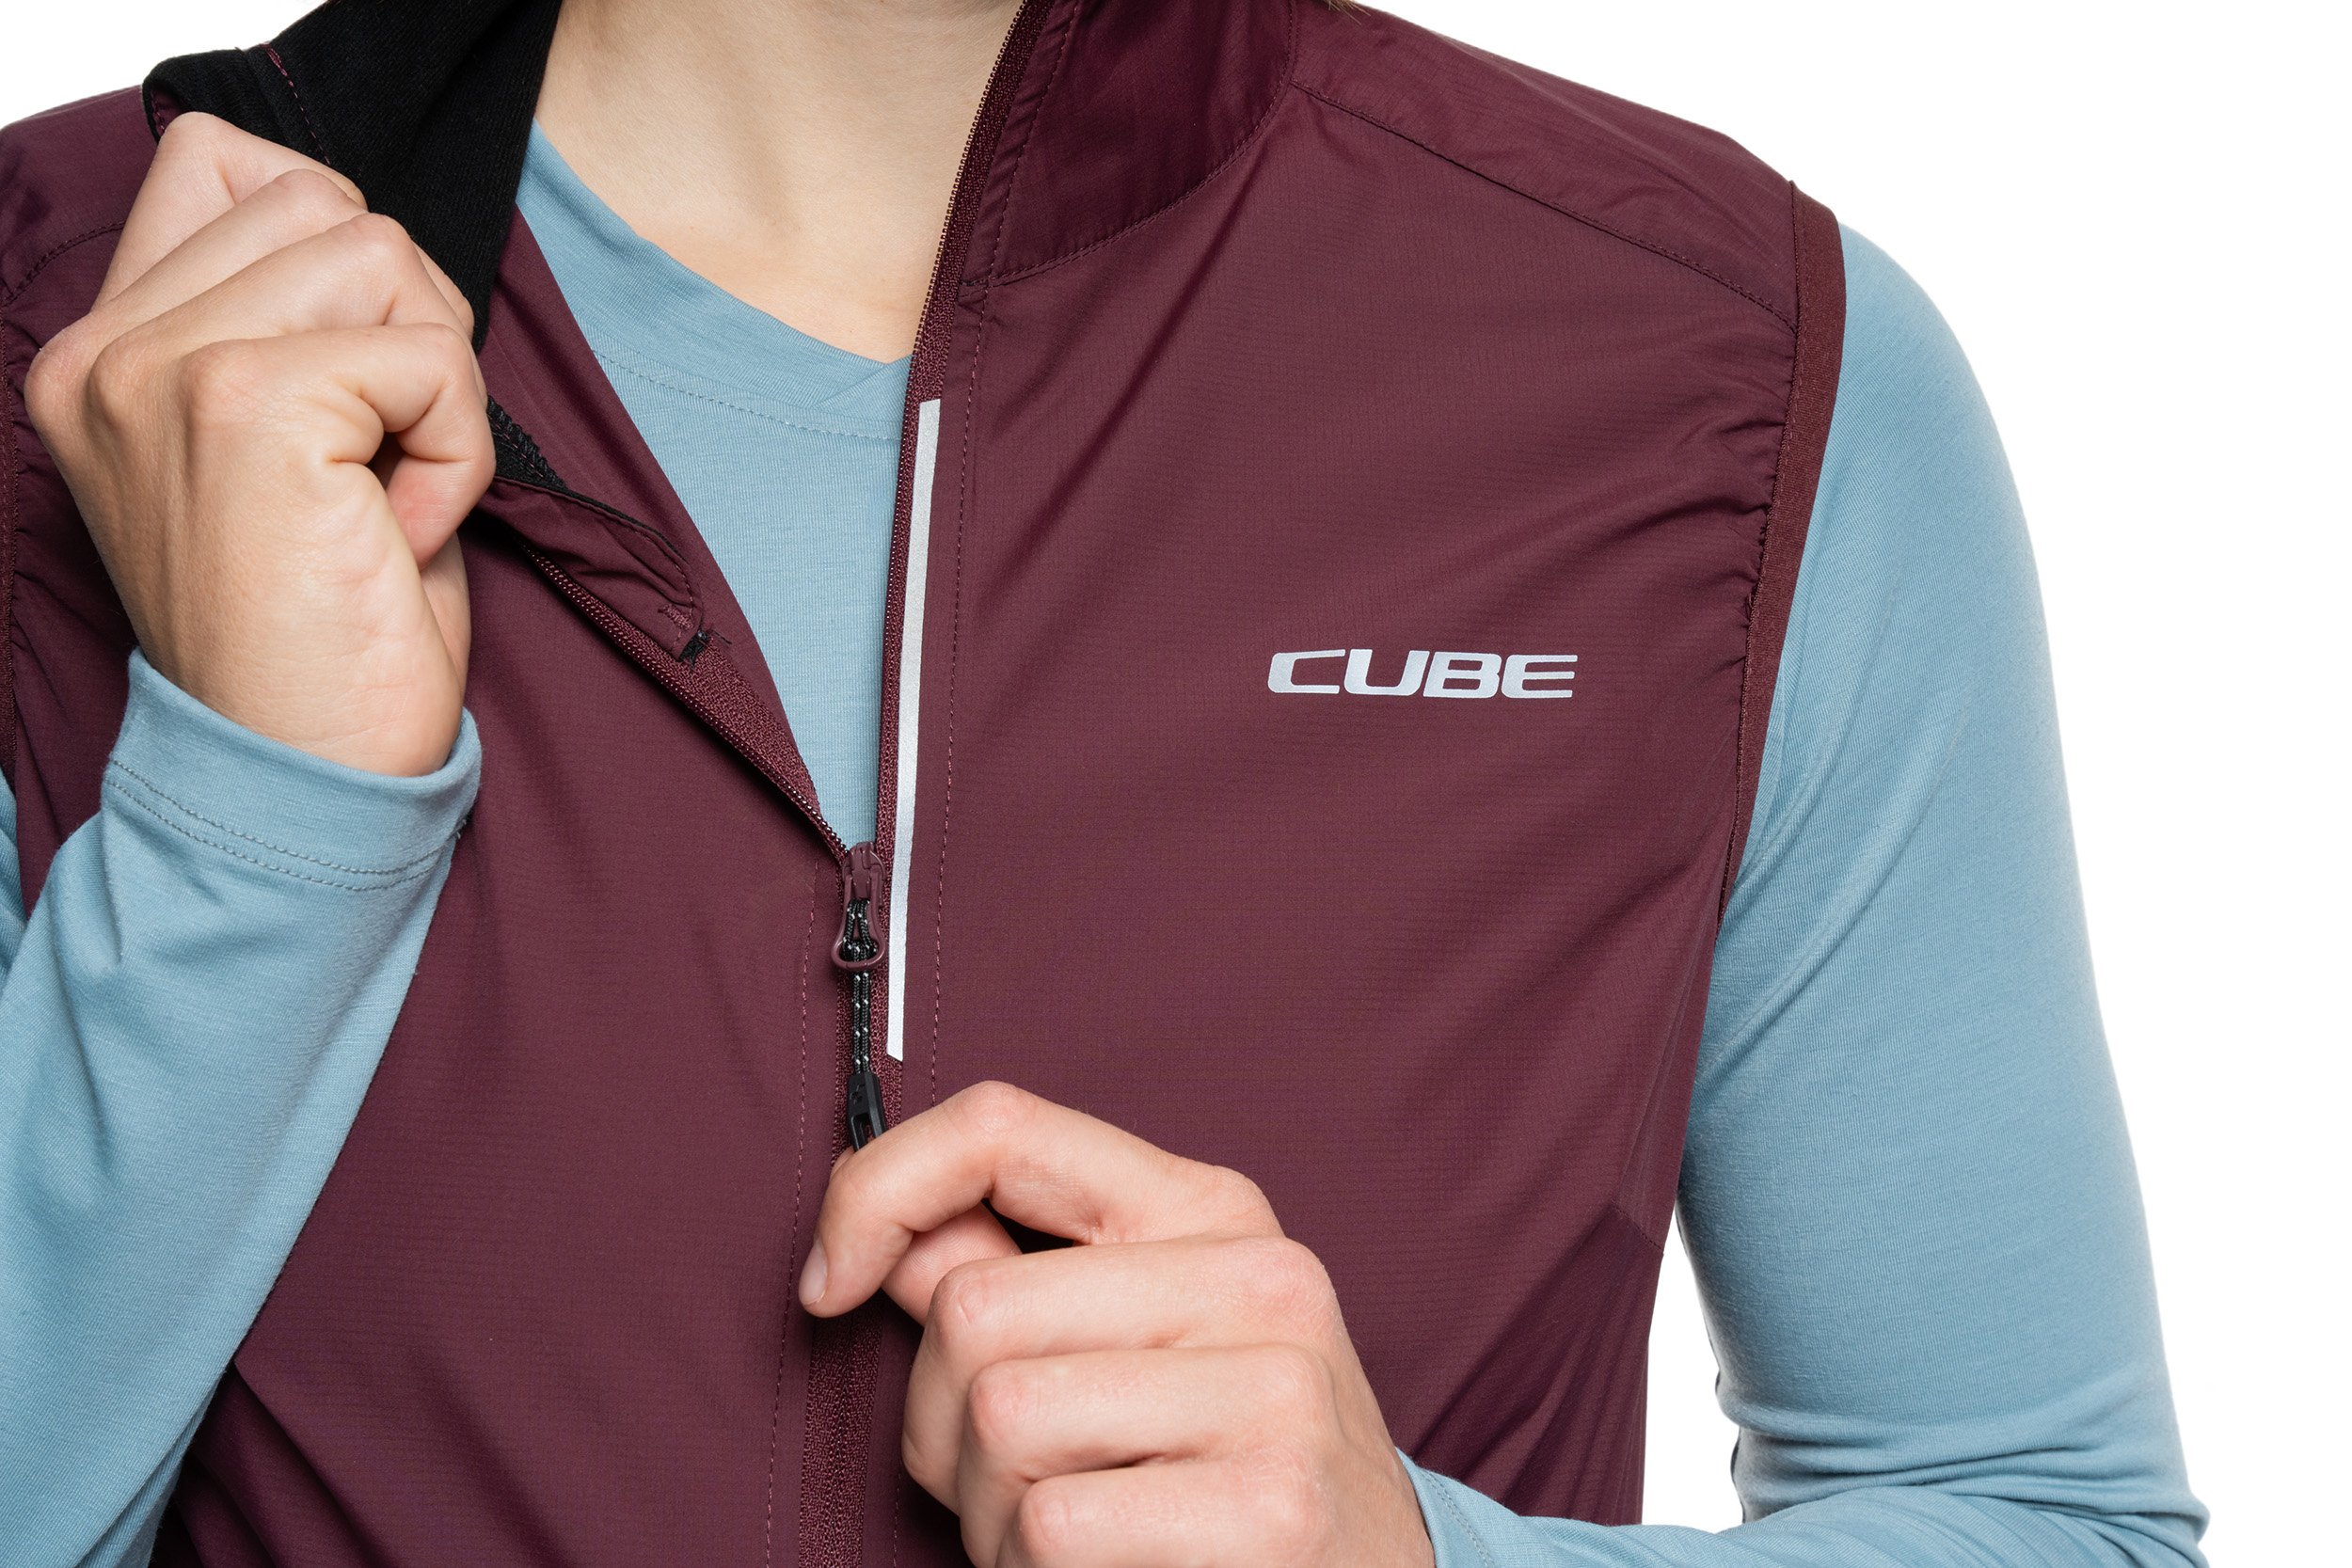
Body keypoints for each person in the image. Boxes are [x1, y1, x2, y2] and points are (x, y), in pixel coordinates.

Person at [0, 0, 2207, 1563]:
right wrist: (253, 819)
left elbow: (2042, 1519)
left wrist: (1424, 1565)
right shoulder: (61, 331)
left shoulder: (1709, 364)